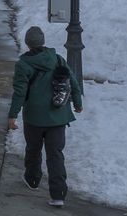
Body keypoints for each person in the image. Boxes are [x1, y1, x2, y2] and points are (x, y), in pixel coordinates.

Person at [8, 25, 84, 207]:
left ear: (28, 44)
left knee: (33, 149)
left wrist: (12, 116)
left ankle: (32, 179)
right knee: (56, 155)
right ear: (43, 42)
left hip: (34, 118)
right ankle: (58, 195)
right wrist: (77, 103)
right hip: (58, 117)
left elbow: (19, 92)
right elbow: (72, 81)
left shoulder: (23, 65)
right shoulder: (57, 59)